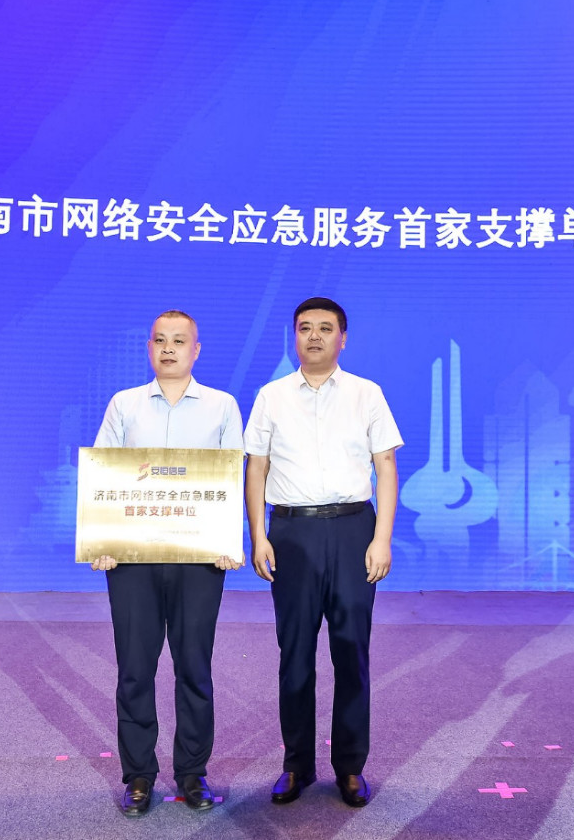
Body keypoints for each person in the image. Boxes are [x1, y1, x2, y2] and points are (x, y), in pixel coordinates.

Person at [243, 297, 403, 808]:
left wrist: (381, 538)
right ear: (294, 336)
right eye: (305, 328)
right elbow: (256, 468)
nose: (314, 336)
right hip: (292, 532)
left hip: (355, 529)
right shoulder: (271, 396)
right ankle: (296, 765)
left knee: (351, 651)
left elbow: (385, 466)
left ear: (342, 338)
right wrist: (258, 535)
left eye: (325, 328)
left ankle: (350, 767)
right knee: (295, 655)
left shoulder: (366, 393)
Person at [90, 310, 243, 817]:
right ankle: (138, 775)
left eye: (180, 341)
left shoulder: (221, 405)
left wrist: (229, 539)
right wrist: (103, 540)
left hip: (199, 558)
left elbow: (231, 476)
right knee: (135, 670)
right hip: (133, 558)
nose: (169, 348)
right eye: (160, 340)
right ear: (149, 348)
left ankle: (193, 773)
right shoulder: (125, 404)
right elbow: (105, 473)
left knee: (194, 668)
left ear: (196, 350)